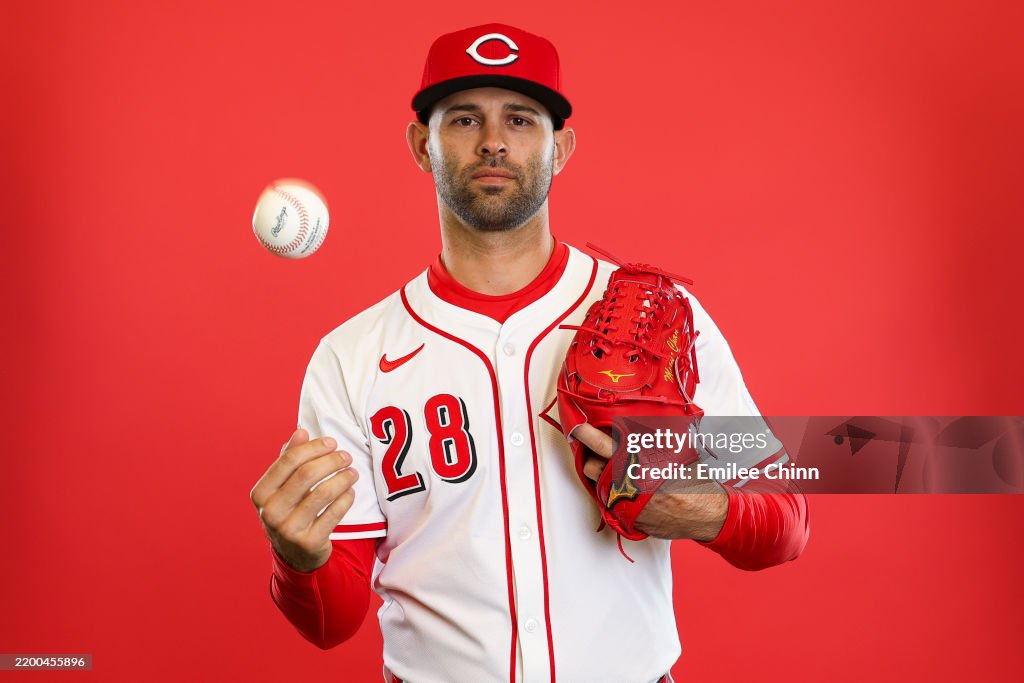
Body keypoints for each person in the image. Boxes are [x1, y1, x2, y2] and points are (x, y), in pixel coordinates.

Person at [249, 23, 809, 683]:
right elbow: (332, 623)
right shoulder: (351, 357)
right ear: (422, 146)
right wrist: (297, 559)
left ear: (560, 148)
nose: (493, 140)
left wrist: (703, 508)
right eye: (464, 119)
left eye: (520, 119)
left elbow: (787, 520)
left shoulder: (658, 318)